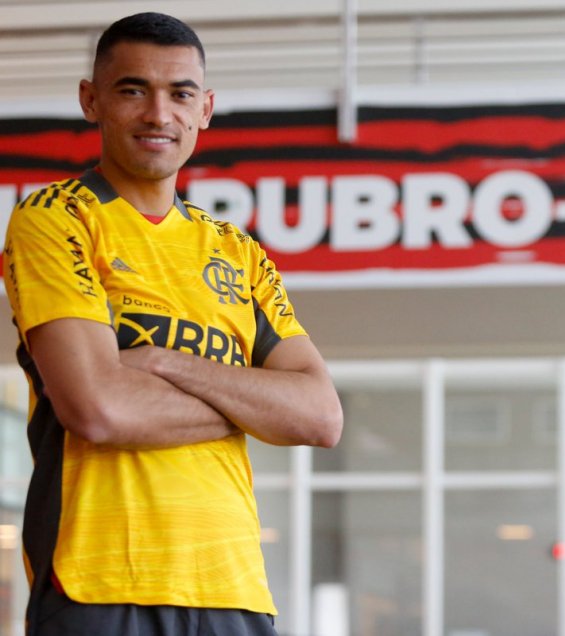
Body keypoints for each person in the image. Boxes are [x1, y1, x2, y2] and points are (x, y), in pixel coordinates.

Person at [3, 12, 343, 636]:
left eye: (181, 94)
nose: (159, 114)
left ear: (205, 109)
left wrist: (162, 363)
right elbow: (98, 409)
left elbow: (320, 416)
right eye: (133, 90)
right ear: (91, 100)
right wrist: (253, 404)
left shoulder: (237, 251)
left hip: (233, 588)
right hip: (98, 583)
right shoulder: (56, 218)